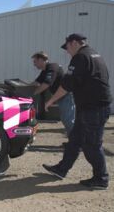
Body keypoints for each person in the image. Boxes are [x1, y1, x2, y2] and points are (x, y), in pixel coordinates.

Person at [43, 33, 112, 189]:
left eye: (67, 47)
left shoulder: (81, 57)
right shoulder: (94, 54)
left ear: (74, 43)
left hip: (93, 108)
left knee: (92, 144)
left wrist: (51, 100)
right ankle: (62, 169)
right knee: (75, 140)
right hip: (91, 107)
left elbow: (67, 84)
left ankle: (101, 178)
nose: (67, 50)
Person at [31, 51, 75, 135]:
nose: (34, 64)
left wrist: (32, 94)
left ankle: (76, 143)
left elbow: (46, 84)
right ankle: (73, 141)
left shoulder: (52, 67)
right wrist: (24, 87)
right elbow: (36, 82)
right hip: (60, 96)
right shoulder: (44, 71)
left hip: (66, 95)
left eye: (35, 62)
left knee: (68, 119)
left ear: (41, 60)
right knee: (65, 118)